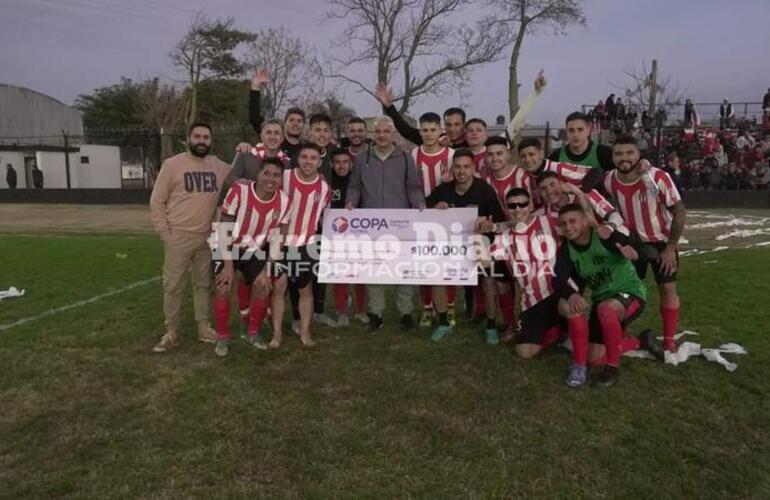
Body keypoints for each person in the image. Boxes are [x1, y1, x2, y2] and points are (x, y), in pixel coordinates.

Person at [553, 204, 664, 387]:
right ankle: (639, 341)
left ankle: (612, 368)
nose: (568, 227)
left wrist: (637, 253)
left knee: (607, 310)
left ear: (585, 221)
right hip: (602, 300)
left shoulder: (605, 237)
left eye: (573, 221)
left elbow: (650, 251)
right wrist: (572, 295)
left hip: (630, 293)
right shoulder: (567, 249)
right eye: (563, 223)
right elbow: (558, 280)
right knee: (594, 358)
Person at [149, 122, 231, 353]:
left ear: (211, 140)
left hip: (206, 236)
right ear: (189, 139)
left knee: (203, 285)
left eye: (206, 136)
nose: (202, 140)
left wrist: (244, 148)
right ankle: (172, 331)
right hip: (179, 235)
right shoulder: (173, 164)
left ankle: (203, 327)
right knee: (173, 286)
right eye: (198, 136)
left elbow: (239, 169)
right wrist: (165, 233)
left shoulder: (217, 165)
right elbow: (157, 201)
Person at [602, 134, 686, 352]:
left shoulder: (657, 176)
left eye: (630, 152)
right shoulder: (610, 179)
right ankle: (621, 332)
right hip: (633, 245)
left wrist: (670, 248)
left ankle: (668, 338)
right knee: (625, 291)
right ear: (612, 157)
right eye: (619, 153)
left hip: (661, 243)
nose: (624, 158)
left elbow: (679, 211)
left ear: (638, 154)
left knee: (667, 288)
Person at [346, 116, 425, 332]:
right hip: (372, 223)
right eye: (377, 131)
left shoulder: (405, 157)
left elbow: (412, 186)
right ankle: (376, 313)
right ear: (373, 134)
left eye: (386, 131)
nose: (381, 135)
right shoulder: (363, 158)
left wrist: (419, 203)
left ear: (393, 134)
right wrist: (351, 202)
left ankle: (406, 312)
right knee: (374, 270)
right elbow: (355, 186)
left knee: (405, 269)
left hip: (400, 221)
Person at [211, 158, 291, 356]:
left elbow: (278, 239)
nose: (270, 179)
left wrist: (266, 269)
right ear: (258, 174)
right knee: (224, 286)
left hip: (253, 249)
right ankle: (222, 337)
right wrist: (228, 265)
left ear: (281, 179)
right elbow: (224, 228)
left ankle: (252, 332)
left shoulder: (284, 201)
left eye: (276, 175)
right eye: (266, 173)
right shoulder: (240, 189)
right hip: (226, 245)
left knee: (263, 286)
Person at [426, 149, 505, 344]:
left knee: (488, 280)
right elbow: (424, 212)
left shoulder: (485, 190)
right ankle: (444, 323)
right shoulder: (442, 190)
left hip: (478, 243)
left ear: (474, 168)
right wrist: (435, 208)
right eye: (458, 167)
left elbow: (500, 223)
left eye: (466, 167)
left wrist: (488, 225)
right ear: (452, 168)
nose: (461, 171)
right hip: (450, 245)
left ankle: (491, 325)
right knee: (437, 277)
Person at [280, 143, 332, 347]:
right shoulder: (285, 177)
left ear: (319, 162)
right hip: (281, 243)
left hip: (305, 245)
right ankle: (276, 333)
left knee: (305, 290)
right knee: (279, 288)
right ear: (298, 159)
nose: (308, 161)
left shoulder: (324, 187)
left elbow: (323, 216)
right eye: (304, 157)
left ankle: (305, 332)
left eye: (313, 158)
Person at [411, 112, 455, 327]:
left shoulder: (452, 155)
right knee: (423, 265)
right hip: (422, 215)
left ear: (440, 131)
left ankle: (450, 306)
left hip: (447, 217)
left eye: (433, 130)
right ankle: (427, 308)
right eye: (425, 130)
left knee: (449, 264)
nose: (429, 134)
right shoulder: (413, 154)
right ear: (420, 132)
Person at [329, 148, 368, 325]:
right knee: (340, 274)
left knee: (360, 274)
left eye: (345, 162)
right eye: (337, 162)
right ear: (331, 164)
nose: (342, 166)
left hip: (359, 235)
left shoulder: (359, 180)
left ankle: (360, 310)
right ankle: (342, 310)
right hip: (336, 235)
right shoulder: (327, 182)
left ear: (351, 164)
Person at [247, 69, 305, 163]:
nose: (295, 123)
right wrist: (255, 87)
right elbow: (254, 118)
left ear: (303, 125)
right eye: (291, 120)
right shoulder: (274, 139)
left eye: (299, 121)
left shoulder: (307, 148)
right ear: (285, 124)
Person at [549, 112, 615, 170]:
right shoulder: (557, 156)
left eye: (580, 130)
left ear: (588, 130)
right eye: (571, 130)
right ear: (566, 132)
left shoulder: (604, 154)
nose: (575, 135)